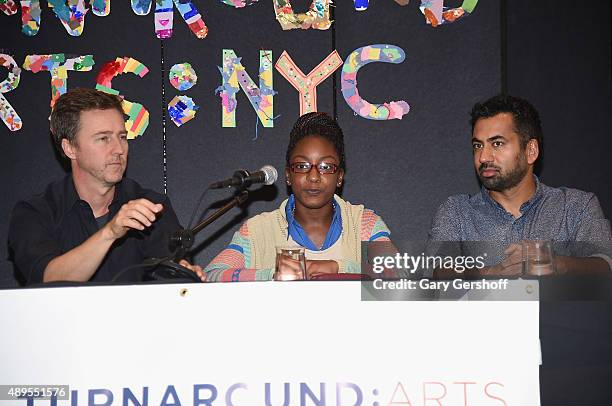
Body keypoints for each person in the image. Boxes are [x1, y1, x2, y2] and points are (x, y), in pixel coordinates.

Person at [8, 88, 201, 284]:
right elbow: (48, 280)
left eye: (122, 137)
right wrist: (110, 232)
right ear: (70, 148)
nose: (118, 149)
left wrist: (184, 274)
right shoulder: (36, 212)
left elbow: (171, 282)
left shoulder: (152, 207)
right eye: (103, 138)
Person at [428, 94, 611, 276]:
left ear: (531, 150)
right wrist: (495, 273)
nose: (483, 157)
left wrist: (555, 264)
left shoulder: (574, 206)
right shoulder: (457, 212)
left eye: (497, 143)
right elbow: (439, 274)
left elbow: (606, 265)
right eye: (478, 145)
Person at [198, 112, 392, 282]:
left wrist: (336, 267)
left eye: (326, 167)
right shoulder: (258, 231)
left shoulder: (364, 223)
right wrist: (273, 275)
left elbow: (398, 275)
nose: (314, 177)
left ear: (339, 176)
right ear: (288, 176)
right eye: (302, 166)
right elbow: (212, 275)